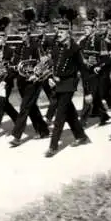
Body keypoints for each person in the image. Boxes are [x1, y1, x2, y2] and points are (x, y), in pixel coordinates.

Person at [44, 22, 92, 158]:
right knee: (69, 112)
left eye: (62, 32)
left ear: (68, 34)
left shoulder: (75, 49)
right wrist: (51, 77)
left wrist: (87, 92)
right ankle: (81, 136)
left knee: (60, 115)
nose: (58, 34)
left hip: (69, 83)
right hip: (58, 83)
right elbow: (53, 64)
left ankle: (53, 147)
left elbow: (84, 71)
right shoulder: (57, 46)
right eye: (58, 32)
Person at [8, 23, 50, 148]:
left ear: (28, 33)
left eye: (24, 33)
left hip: (34, 82)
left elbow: (44, 63)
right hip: (22, 82)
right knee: (31, 107)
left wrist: (36, 75)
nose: (22, 36)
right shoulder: (19, 47)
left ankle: (17, 136)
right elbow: (14, 63)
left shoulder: (36, 45)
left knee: (24, 107)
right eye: (20, 33)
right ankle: (43, 130)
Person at [78, 20, 111, 127]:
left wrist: (99, 66)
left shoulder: (99, 40)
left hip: (95, 72)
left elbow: (106, 58)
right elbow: (80, 57)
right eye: (84, 28)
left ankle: (82, 120)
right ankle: (104, 116)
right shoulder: (83, 41)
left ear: (93, 28)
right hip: (85, 72)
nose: (85, 30)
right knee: (95, 96)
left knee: (88, 95)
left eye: (88, 28)